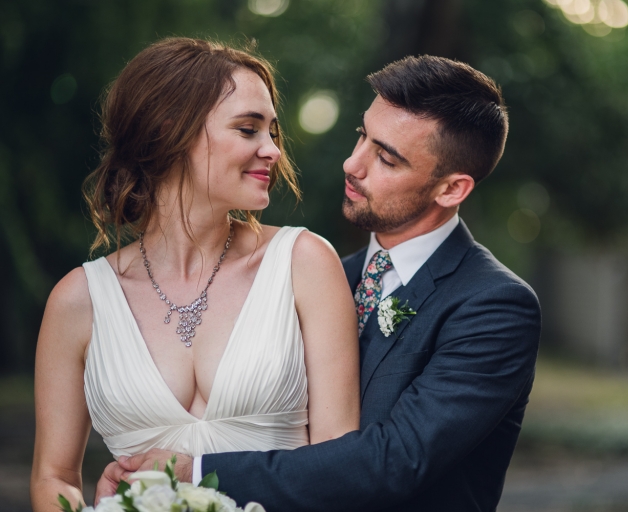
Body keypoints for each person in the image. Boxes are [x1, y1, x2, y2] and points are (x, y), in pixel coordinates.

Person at [108, 55, 541, 512]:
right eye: (362, 137)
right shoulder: (317, 279)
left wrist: (193, 473)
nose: (352, 165)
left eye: (386, 158)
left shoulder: (494, 306)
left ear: (451, 190)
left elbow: (394, 461)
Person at [30, 37, 360, 511]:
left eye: (272, 132)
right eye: (248, 130)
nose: (273, 151)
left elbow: (338, 463)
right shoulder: (78, 300)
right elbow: (53, 477)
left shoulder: (304, 263)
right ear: (170, 133)